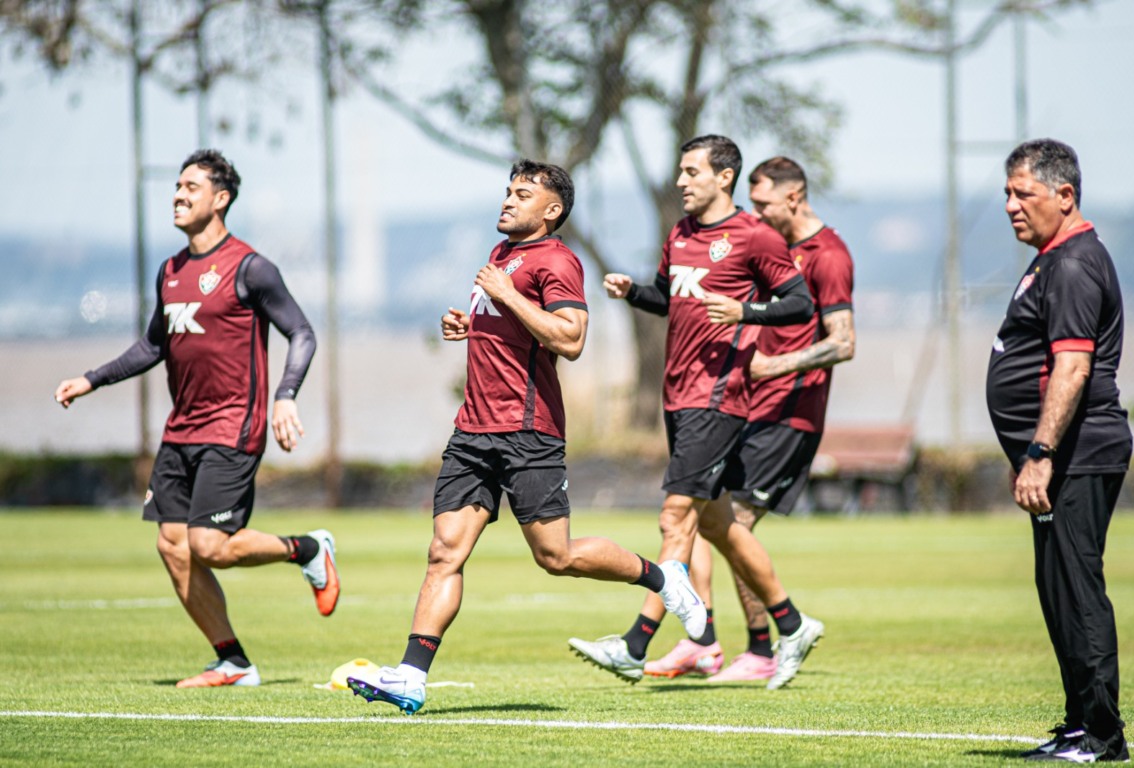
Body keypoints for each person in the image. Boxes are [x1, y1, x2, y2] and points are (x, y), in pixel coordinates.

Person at [346, 160, 706, 715]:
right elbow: (517, 327)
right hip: (472, 431)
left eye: (523, 194)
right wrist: (474, 324)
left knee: (556, 557)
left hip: (527, 431)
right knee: (444, 552)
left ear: (552, 210)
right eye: (508, 190)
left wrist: (507, 298)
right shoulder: (501, 257)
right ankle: (411, 677)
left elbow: (571, 337)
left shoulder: (558, 261)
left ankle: (665, 578)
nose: (508, 200)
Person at [54, 149, 338, 688]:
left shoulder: (251, 268)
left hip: (235, 425)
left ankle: (308, 548)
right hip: (181, 430)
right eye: (177, 187)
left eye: (190, 186)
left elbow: (301, 331)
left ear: (220, 198)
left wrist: (285, 395)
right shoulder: (170, 270)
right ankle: (233, 661)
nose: (178, 195)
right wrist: (92, 379)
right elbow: (152, 346)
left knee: (209, 544)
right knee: (171, 544)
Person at [567, 136, 816, 685]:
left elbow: (801, 303)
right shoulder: (679, 233)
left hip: (719, 397)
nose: (681, 181)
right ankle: (792, 625)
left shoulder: (754, 236)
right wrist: (633, 291)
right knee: (720, 525)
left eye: (691, 171)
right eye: (680, 172)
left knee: (674, 516)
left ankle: (636, 644)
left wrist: (746, 310)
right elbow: (667, 295)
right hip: (678, 397)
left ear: (723, 177)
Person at [643, 156, 854, 688]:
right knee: (710, 517)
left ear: (794, 196)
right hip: (743, 404)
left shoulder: (826, 255)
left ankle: (756, 642)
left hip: (789, 409)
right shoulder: (757, 243)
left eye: (762, 204)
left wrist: (771, 366)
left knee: (723, 518)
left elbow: (843, 342)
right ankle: (713, 640)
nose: (755, 213)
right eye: (751, 204)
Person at [986, 139, 1130, 763]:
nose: (1011, 206)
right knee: (1056, 590)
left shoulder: (1072, 263)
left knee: (1077, 588)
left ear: (1065, 195)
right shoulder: (1050, 258)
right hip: (1058, 458)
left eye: (1024, 194)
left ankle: (1103, 737)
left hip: (1076, 454)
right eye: (1008, 193)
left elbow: (1071, 367)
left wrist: (1040, 452)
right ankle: (1077, 725)